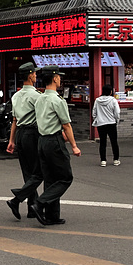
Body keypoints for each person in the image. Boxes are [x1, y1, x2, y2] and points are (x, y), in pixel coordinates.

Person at [31, 65, 81, 226]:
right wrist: (74, 145)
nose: (60, 79)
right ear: (54, 78)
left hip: (42, 141)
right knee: (65, 177)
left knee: (50, 179)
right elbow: (66, 125)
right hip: (54, 141)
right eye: (59, 76)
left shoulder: (40, 98)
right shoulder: (57, 100)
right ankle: (41, 203)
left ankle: (52, 215)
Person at [6, 62, 43, 220]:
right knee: (39, 171)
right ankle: (18, 199)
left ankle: (31, 207)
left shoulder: (16, 95)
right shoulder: (37, 96)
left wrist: (11, 140)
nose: (36, 75)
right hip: (32, 133)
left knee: (27, 172)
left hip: (20, 133)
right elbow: (42, 119)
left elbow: (14, 120)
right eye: (34, 73)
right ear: (30, 75)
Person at [92, 84, 121, 167]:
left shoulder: (97, 100)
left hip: (101, 123)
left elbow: (94, 112)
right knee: (114, 142)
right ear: (111, 91)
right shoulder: (113, 100)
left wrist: (96, 119)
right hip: (111, 123)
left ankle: (103, 160)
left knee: (102, 142)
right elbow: (117, 112)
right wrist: (117, 120)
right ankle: (116, 159)